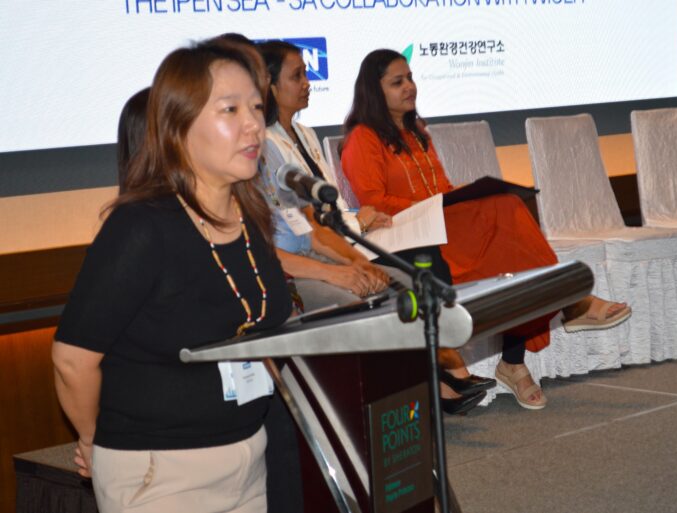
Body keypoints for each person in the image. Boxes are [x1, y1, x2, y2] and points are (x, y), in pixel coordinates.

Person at [52, 41, 292, 512]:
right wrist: (94, 439)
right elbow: (72, 360)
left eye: (256, 107)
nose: (253, 125)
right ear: (178, 128)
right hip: (158, 474)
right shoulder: (142, 227)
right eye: (230, 109)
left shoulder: (248, 215)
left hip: (249, 459)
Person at [341, 49, 632, 410]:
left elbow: (441, 187)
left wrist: (457, 196)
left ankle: (518, 356)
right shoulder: (363, 137)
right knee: (504, 213)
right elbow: (374, 203)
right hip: (403, 236)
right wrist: (439, 205)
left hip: (437, 224)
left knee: (508, 227)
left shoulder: (417, 131)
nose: (409, 87)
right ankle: (562, 311)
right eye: (397, 82)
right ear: (374, 90)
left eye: (411, 78)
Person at [255, 40, 495, 414]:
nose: (307, 82)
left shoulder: (305, 133)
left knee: (414, 275)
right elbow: (302, 228)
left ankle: (441, 380)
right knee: (395, 284)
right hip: (305, 262)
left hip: (338, 240)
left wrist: (357, 244)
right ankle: (437, 380)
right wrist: (353, 250)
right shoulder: (265, 148)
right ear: (269, 85)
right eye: (297, 75)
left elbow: (324, 215)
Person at [114, 78, 303, 513]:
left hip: (253, 412)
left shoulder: (236, 216)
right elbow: (78, 357)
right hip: (182, 442)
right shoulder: (138, 235)